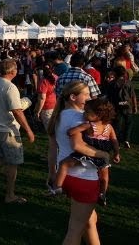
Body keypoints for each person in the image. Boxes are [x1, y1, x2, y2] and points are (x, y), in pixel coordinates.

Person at [48, 81, 111, 245]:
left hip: (66, 176)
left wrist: (52, 173)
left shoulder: (59, 115)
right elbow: (77, 145)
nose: (89, 98)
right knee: (75, 229)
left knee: (90, 220)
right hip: (84, 178)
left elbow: (52, 149)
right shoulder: (79, 117)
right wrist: (103, 154)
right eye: (86, 94)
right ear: (73, 97)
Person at [0, 58, 35, 204]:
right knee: (13, 162)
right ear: (12, 71)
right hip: (7, 129)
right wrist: (29, 130)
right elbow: (17, 111)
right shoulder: (10, 87)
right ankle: (10, 195)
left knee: (2, 156)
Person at [52, 97, 119, 204]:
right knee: (104, 176)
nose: (84, 113)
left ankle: (57, 187)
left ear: (98, 115)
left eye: (87, 112)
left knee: (64, 164)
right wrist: (116, 153)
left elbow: (71, 132)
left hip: (87, 154)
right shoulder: (109, 127)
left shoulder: (88, 125)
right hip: (103, 155)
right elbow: (114, 141)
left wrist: (70, 130)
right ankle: (102, 193)